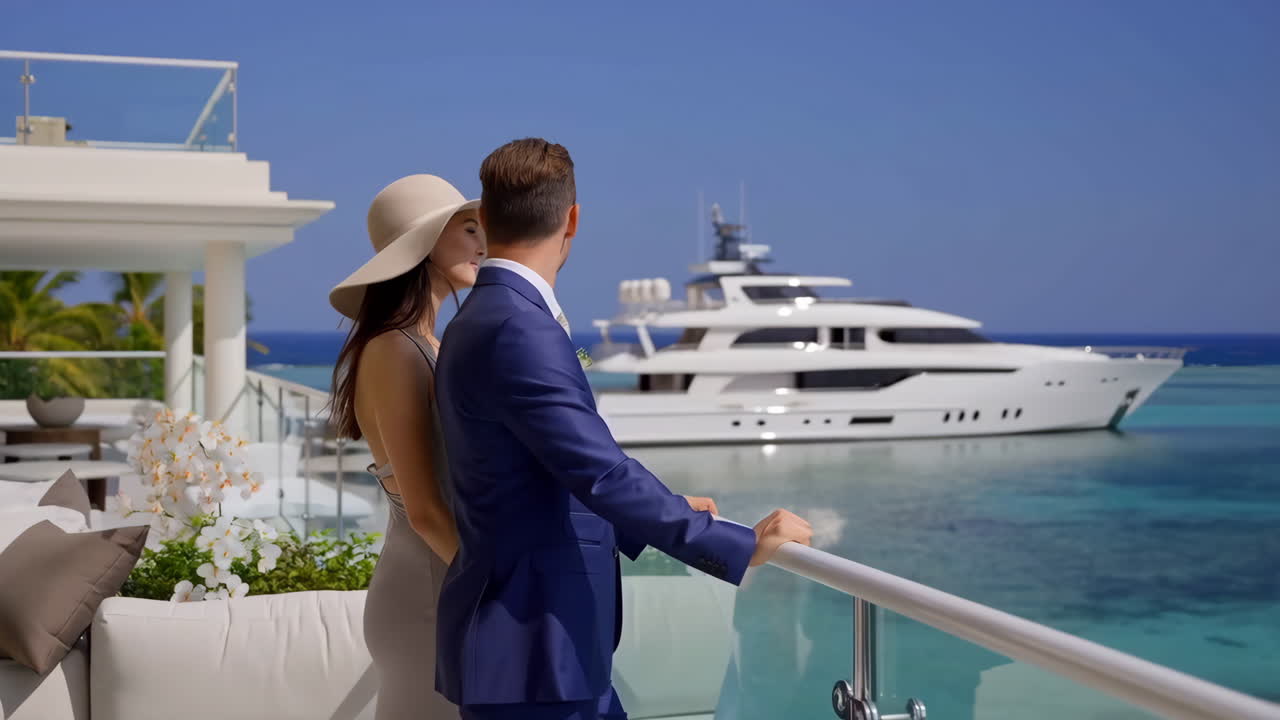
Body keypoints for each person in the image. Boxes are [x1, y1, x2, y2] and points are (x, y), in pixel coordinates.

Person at [434, 138, 813, 720]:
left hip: (532, 649)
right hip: (537, 648)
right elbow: (601, 472)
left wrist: (663, 511)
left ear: (482, 219)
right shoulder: (518, 326)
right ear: (573, 219)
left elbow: (534, 474)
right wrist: (736, 544)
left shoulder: (477, 318)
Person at [327, 174, 486, 719]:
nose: (483, 244)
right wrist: (500, 587)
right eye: (469, 229)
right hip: (428, 594)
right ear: (426, 243)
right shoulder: (396, 349)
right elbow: (422, 509)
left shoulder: (428, 344)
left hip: (444, 580)